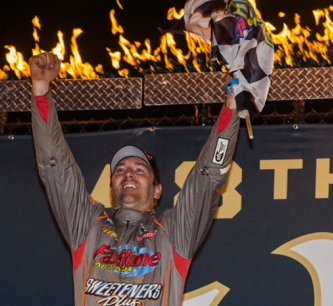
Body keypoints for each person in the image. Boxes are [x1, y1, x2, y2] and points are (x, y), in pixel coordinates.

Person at [29, 52, 239, 306]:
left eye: (140, 170)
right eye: (120, 169)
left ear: (157, 190)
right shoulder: (88, 227)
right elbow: (56, 169)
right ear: (111, 186)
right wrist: (40, 91)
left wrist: (232, 106)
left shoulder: (173, 235)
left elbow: (207, 179)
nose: (128, 173)